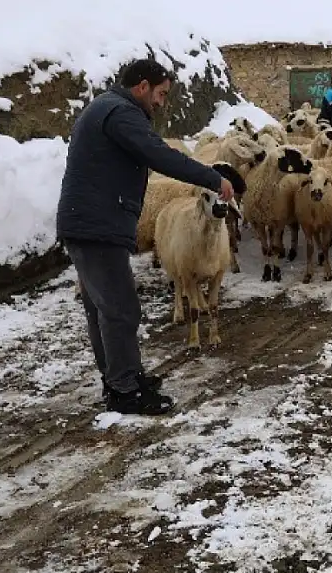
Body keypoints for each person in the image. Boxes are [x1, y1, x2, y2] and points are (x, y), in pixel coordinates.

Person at [56, 58, 235, 416]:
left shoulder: (107, 108)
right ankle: (124, 390)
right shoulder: (121, 113)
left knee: (103, 308)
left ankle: (123, 377)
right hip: (96, 225)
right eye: (161, 93)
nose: (161, 102)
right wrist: (214, 179)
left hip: (87, 222)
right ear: (142, 86)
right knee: (120, 308)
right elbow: (157, 154)